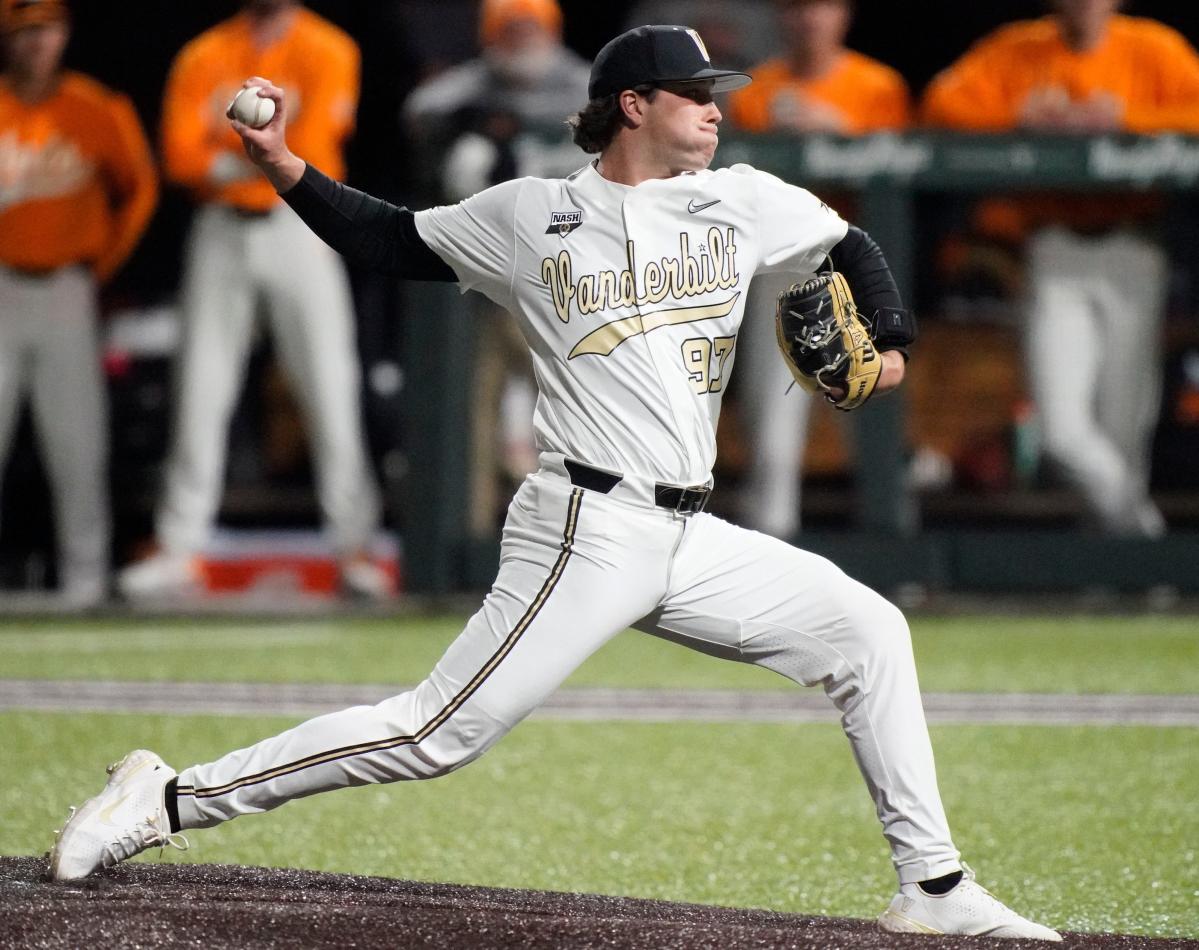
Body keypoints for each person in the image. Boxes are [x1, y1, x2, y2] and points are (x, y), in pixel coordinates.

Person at [49, 25, 1060, 941]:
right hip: (584, 522)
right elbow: (386, 238)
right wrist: (282, 166)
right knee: (434, 732)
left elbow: (850, 243)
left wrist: (886, 349)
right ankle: (167, 796)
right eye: (692, 90)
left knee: (867, 630)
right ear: (633, 105)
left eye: (716, 90)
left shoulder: (743, 199)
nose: (716, 106)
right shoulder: (534, 211)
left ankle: (930, 886)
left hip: (689, 537)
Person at [116, 0, 390, 600]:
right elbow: (178, 156)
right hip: (219, 230)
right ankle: (180, 549)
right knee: (201, 390)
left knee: (329, 388)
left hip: (302, 226)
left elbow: (314, 145)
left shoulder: (329, 48)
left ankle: (354, 551)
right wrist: (252, 163)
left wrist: (229, 160)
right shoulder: (205, 53)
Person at [921, 0, 1199, 537]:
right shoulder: (1021, 49)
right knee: (1060, 431)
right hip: (1054, 248)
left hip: (1133, 246)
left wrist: (1122, 120)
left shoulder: (1151, 47)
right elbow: (942, 104)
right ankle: (1149, 542)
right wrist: (1020, 120)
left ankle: (1120, 575)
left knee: (1124, 433)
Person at [404, 0, 591, 536]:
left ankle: (573, 533)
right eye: (509, 28)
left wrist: (530, 132)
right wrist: (481, 126)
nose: (520, 37)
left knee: (575, 414)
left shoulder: (583, 86)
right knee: (473, 413)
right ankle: (474, 534)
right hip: (488, 279)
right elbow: (422, 108)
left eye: (530, 26)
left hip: (569, 280)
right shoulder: (475, 85)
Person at [726, 0, 912, 539]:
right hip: (783, 267)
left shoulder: (877, 86)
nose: (809, 19)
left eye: (820, 7)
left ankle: (894, 547)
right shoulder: (755, 89)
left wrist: (843, 135)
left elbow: (907, 168)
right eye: (796, 8)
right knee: (774, 432)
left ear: (843, 15)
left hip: (858, 261)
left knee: (873, 417)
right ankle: (771, 544)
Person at [0, 0, 157, 607]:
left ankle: (85, 583)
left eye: (47, 31)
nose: (37, 44)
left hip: (67, 288)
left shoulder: (94, 108)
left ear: (64, 35)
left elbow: (139, 189)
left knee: (77, 445)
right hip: (3, 288)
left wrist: (101, 262)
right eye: (25, 32)